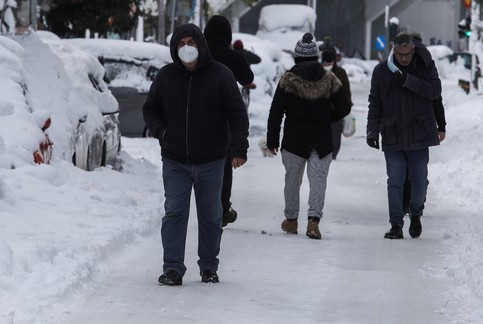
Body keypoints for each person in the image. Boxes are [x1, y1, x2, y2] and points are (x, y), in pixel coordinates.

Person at [143, 23, 249, 286]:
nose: (186, 48)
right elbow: (150, 110)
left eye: (191, 43)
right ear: (174, 48)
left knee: (211, 216)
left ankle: (209, 267)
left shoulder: (221, 75)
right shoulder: (166, 76)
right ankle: (173, 268)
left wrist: (238, 148)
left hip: (212, 160)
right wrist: (162, 133)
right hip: (175, 159)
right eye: (181, 44)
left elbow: (237, 115)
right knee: (175, 212)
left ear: (201, 45)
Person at [266, 32, 351, 239]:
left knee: (292, 181)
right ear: (316, 57)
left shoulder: (288, 80)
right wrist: (327, 118)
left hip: (294, 139)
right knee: (318, 180)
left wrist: (272, 140)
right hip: (322, 139)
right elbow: (344, 107)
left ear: (296, 57)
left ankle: (291, 220)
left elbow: (276, 111)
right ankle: (313, 221)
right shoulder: (329, 79)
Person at [366, 32, 442, 239]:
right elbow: (375, 103)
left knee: (419, 181)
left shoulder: (425, 68)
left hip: (419, 135)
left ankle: (416, 212)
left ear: (413, 50)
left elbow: (435, 92)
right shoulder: (381, 72)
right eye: (400, 55)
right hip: (392, 135)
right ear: (394, 51)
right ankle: (396, 225)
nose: (404, 58)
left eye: (408, 54)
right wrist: (372, 131)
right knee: (395, 180)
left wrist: (409, 80)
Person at [203, 15, 255, 227]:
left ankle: (204, 203)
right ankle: (223, 207)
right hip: (224, 115)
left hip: (197, 112)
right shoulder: (233, 57)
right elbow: (248, 79)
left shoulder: (200, 54)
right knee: (223, 163)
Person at [402, 37, 447, 213]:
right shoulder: (428, 65)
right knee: (419, 169)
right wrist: (441, 126)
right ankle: (419, 197)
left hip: (402, 123)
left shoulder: (399, 62)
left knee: (403, 170)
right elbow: (436, 99)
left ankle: (407, 202)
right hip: (422, 123)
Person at [320, 46, 352, 159]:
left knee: (335, 135)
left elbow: (346, 91)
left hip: (337, 110)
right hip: (320, 110)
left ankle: (333, 155)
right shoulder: (318, 71)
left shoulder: (341, 72)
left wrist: (348, 106)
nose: (327, 64)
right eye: (325, 62)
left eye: (329, 62)